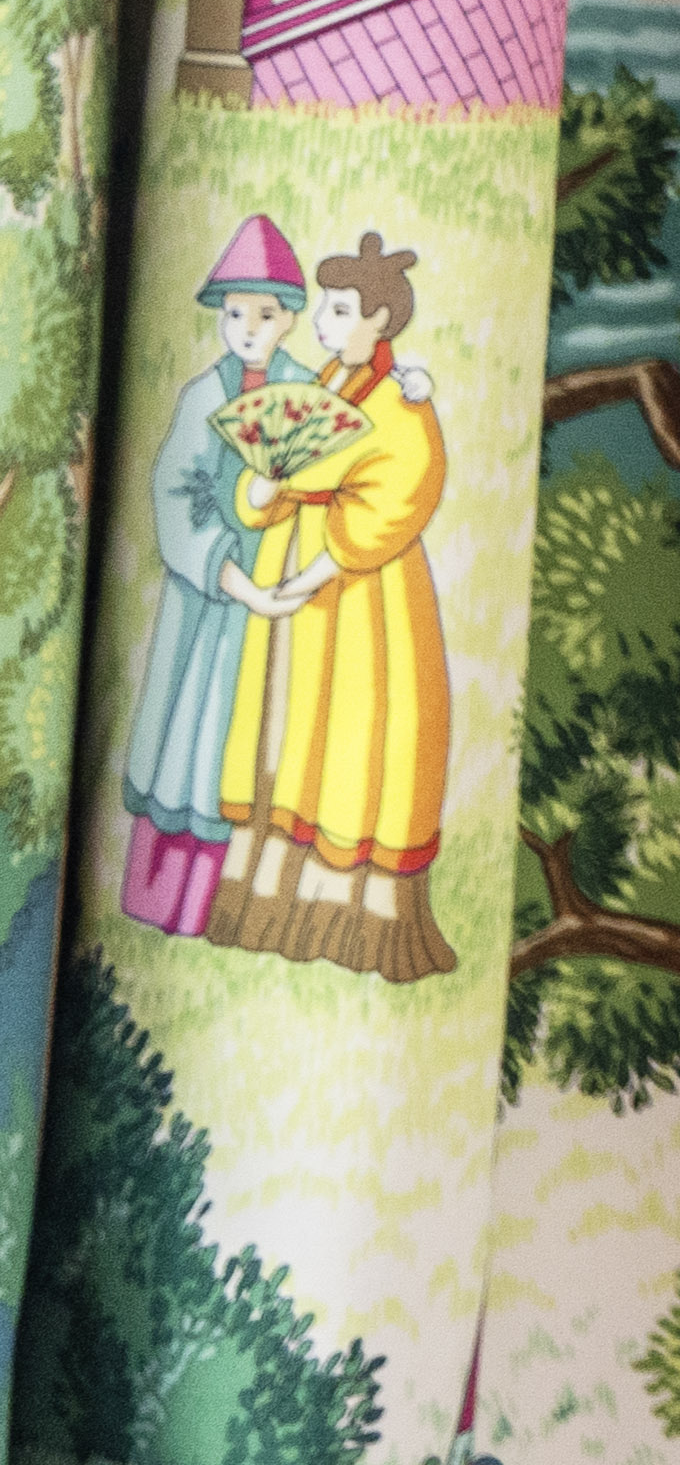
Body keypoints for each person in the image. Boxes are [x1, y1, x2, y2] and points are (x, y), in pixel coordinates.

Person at [211, 229, 456, 981]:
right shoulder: (324, 384)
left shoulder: (401, 402)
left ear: (380, 321)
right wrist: (261, 493)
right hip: (304, 572)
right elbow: (285, 465)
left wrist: (324, 565)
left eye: (341, 309)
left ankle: (350, 910)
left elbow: (403, 493)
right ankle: (267, 895)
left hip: (364, 589)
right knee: (290, 725)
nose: (325, 322)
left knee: (358, 729)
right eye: (324, 307)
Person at [111, 220, 303, 947]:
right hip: (205, 605)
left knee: (241, 759)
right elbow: (175, 491)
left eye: (263, 314)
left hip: (274, 614)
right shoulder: (203, 396)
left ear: (288, 319)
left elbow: (327, 473)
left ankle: (209, 913)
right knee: (181, 742)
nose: (246, 329)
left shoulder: (303, 395)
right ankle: (151, 914)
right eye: (233, 313)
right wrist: (231, 567)